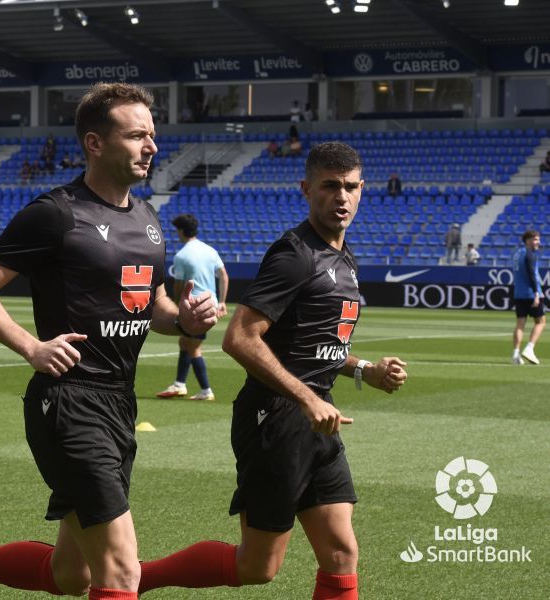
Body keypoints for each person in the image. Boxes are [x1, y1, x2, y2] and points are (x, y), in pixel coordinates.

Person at [0, 82, 217, 600]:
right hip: (69, 403)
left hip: (119, 402)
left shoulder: (149, 220)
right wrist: (32, 347)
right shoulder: (56, 213)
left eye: (153, 136)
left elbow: (154, 307)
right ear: (95, 143)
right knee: (121, 573)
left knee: (72, 576)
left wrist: (187, 320)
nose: (152, 147)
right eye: (137, 135)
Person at [137, 141, 408, 600]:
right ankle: (134, 578)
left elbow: (315, 347)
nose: (341, 197)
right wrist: (306, 398)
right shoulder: (295, 254)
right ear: (306, 189)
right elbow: (239, 337)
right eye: (329, 186)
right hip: (276, 417)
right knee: (258, 566)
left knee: (342, 552)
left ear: (363, 190)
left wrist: (365, 369)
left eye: (350, 187)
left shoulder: (345, 259)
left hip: (318, 419)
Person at [157, 213, 229, 401]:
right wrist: (221, 302)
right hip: (209, 303)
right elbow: (223, 275)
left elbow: (179, 285)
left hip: (194, 308)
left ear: (181, 230)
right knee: (185, 342)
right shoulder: (210, 250)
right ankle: (180, 384)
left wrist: (174, 304)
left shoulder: (182, 255)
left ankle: (206, 390)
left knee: (193, 348)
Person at [512, 230, 544, 365]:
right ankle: (530, 348)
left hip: (518, 293)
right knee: (541, 322)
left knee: (520, 324)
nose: (538, 242)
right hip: (531, 293)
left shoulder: (517, 253)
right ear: (528, 241)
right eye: (536, 240)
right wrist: (537, 293)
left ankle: (515, 354)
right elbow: (531, 274)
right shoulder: (530, 255)